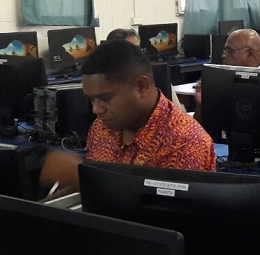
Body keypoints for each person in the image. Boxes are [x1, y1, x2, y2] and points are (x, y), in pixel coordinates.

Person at [39, 40, 217, 198]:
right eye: (91, 99)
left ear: (141, 86)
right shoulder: (101, 128)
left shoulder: (185, 142)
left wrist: (83, 175)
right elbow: (91, 193)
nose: (96, 109)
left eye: (105, 98)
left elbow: (160, 217)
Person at [193, 29, 260, 120]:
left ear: (249, 54)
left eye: (229, 51)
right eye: (224, 51)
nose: (223, 56)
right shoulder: (220, 82)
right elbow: (197, 131)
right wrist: (202, 104)